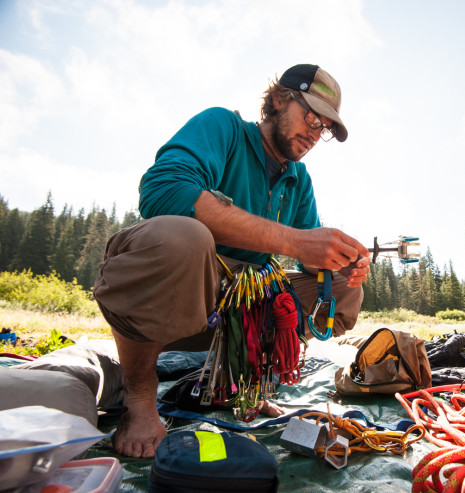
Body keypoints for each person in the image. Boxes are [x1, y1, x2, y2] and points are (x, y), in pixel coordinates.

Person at [93, 64, 371, 458]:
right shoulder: (223, 127)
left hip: (235, 315)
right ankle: (140, 395)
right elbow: (164, 191)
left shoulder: (299, 179)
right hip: (173, 299)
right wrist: (293, 240)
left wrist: (339, 261)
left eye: (324, 127)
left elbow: (311, 259)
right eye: (311, 116)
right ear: (277, 100)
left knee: (342, 289)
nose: (314, 132)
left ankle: (242, 384)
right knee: (183, 238)